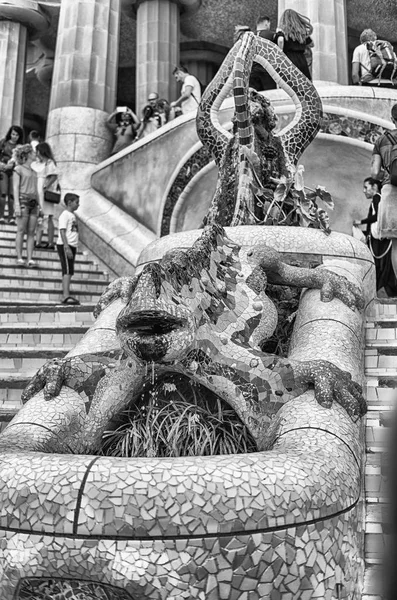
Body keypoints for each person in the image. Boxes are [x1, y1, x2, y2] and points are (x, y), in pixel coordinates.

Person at [353, 177, 397, 296]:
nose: (364, 190)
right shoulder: (381, 198)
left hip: (379, 240)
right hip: (382, 238)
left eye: (366, 187)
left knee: (378, 266)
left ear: (374, 187)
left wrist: (361, 221)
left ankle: (379, 291)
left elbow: (377, 216)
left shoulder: (377, 197)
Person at [371, 103, 397, 285]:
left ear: (392, 119)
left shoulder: (382, 140)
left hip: (390, 192)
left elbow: (374, 173)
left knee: (396, 244)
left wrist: (389, 175)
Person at [12, 144, 39, 268]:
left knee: (31, 232)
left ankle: (30, 258)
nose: (35, 154)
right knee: (21, 230)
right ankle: (19, 257)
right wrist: (16, 204)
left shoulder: (34, 172)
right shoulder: (18, 168)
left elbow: (36, 190)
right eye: (33, 152)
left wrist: (40, 206)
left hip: (34, 203)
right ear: (27, 154)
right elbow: (15, 187)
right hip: (23, 201)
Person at [31, 141, 58, 249]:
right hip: (38, 189)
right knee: (39, 215)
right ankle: (38, 241)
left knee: (48, 216)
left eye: (37, 151)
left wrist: (46, 186)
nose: (36, 153)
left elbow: (54, 176)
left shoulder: (49, 162)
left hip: (45, 191)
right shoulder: (39, 163)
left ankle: (50, 242)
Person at [275, 9, 313, 80]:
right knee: (304, 85)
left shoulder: (282, 32)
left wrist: (280, 52)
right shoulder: (301, 33)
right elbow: (312, 44)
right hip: (302, 60)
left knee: (290, 85)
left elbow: (280, 40)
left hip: (289, 61)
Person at [56, 193, 80, 305]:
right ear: (69, 202)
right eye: (76, 202)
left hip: (72, 245)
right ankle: (65, 296)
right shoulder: (65, 215)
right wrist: (66, 246)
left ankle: (67, 294)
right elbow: (62, 230)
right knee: (67, 270)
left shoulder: (71, 215)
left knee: (69, 271)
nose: (78, 205)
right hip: (66, 245)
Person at [0, 125, 24, 225]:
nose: (14, 136)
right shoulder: (3, 142)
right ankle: (1, 216)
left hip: (14, 170)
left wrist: (13, 164)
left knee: (12, 195)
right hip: (3, 169)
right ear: (10, 133)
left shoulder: (20, 147)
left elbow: (22, 161)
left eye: (17, 135)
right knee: (3, 193)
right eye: (13, 134)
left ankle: (11, 217)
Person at [250, 16, 277, 92]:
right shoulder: (272, 35)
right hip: (267, 71)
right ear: (266, 23)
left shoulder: (251, 36)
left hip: (253, 71)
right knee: (270, 95)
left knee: (254, 96)